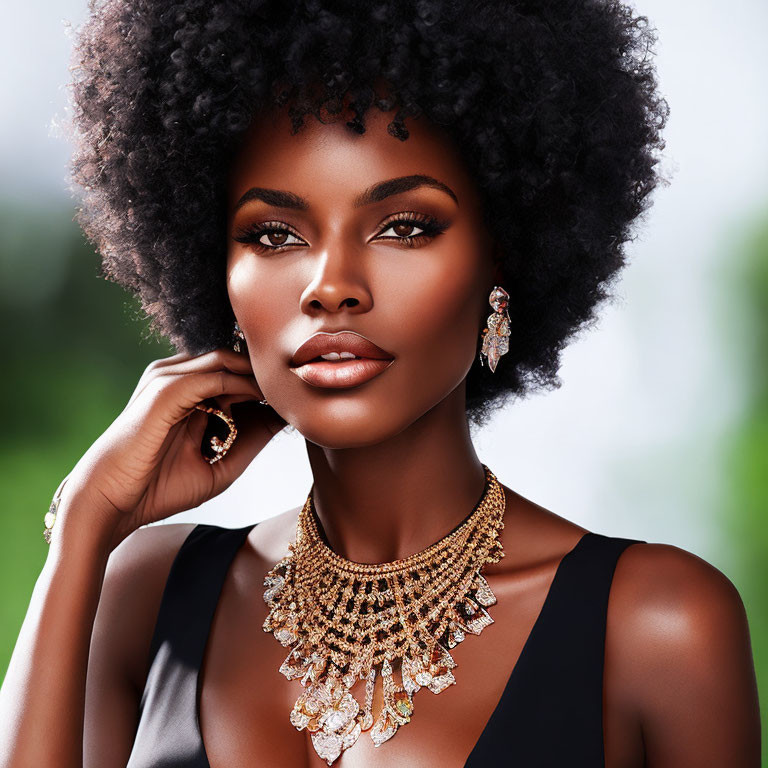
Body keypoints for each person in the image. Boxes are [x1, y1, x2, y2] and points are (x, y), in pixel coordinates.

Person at [0, 0, 761, 765]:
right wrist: (84, 525)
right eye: (275, 234)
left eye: (405, 226)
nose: (331, 287)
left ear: (502, 261)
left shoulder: (657, 624)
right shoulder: (144, 594)